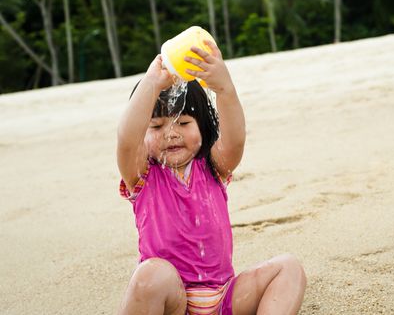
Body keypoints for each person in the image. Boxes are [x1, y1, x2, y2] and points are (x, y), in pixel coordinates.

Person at [116, 40, 306, 315]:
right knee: (150, 276)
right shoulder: (143, 176)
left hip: (224, 298)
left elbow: (235, 141)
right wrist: (151, 83)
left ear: (203, 126)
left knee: (289, 268)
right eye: (156, 126)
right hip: (173, 302)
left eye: (183, 123)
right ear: (143, 137)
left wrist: (224, 88)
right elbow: (126, 141)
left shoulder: (212, 167)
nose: (171, 133)